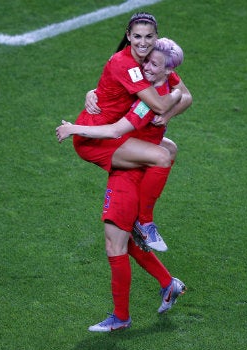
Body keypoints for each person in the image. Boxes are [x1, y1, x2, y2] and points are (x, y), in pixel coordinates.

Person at [58, 13, 188, 332]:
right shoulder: (142, 70)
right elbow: (128, 82)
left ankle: (123, 315)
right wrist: (95, 90)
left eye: (150, 38)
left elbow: (124, 124)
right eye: (139, 37)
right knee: (122, 239)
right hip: (123, 151)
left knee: (116, 242)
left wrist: (74, 128)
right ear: (129, 36)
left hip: (122, 156)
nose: (145, 47)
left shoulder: (149, 92)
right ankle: (165, 281)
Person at [57, 37, 192, 252]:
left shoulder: (157, 87)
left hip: (124, 133)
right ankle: (145, 222)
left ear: (167, 71)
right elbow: (115, 116)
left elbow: (185, 97)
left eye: (153, 64)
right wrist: (92, 93)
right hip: (116, 136)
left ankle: (145, 225)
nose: (146, 65)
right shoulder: (139, 71)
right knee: (117, 239)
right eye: (146, 60)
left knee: (168, 151)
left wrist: (167, 113)